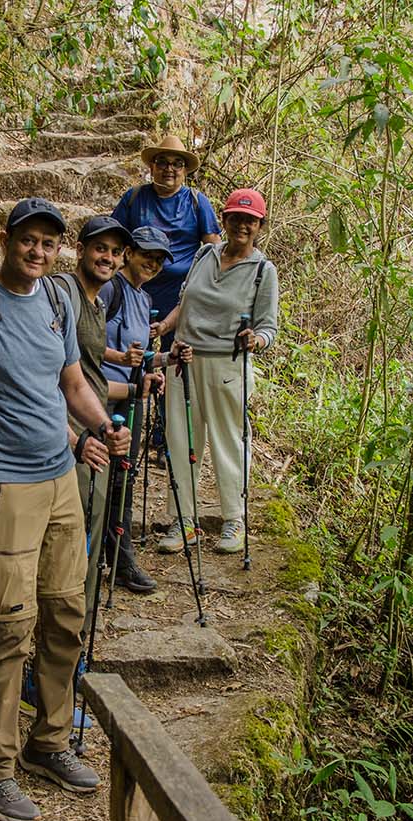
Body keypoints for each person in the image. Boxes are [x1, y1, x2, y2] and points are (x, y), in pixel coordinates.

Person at [0, 197, 129, 821]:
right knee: (9, 626)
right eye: (28, 240)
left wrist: (101, 427)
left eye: (49, 243)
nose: (38, 252)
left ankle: (50, 743)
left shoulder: (59, 302)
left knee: (66, 614)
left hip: (60, 478)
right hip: (3, 485)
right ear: (6, 239)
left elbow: (71, 385)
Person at [153, 188, 277, 556]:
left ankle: (233, 519)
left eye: (249, 220)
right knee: (180, 441)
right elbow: (184, 302)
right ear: (224, 220)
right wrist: (165, 328)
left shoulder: (262, 271)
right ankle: (184, 521)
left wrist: (257, 340)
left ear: (259, 226)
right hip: (184, 363)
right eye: (235, 217)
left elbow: (269, 327)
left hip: (228, 365)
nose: (242, 225)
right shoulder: (205, 255)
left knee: (229, 443)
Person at [110, 136, 221, 458]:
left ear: (185, 170)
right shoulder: (134, 199)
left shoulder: (197, 202)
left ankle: (164, 438)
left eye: (177, 163)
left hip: (181, 296)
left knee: (175, 365)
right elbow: (114, 238)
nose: (169, 169)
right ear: (152, 166)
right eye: (163, 162)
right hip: (137, 291)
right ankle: (123, 426)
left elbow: (213, 249)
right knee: (134, 359)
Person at [48, 216, 134, 627]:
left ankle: (77, 636)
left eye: (117, 252)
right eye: (101, 248)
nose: (109, 258)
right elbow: (61, 374)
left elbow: (92, 377)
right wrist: (73, 434)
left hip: (95, 432)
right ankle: (60, 641)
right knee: (73, 538)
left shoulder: (98, 303)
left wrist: (134, 391)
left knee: (93, 532)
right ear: (79, 250)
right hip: (70, 434)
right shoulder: (63, 293)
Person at [98, 226, 172, 593]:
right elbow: (84, 343)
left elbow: (139, 357)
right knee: (101, 479)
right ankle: (98, 555)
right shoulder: (109, 289)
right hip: (102, 397)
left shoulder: (143, 299)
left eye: (159, 260)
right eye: (148, 256)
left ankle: (120, 558)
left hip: (132, 396)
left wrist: (165, 361)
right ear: (129, 252)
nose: (153, 264)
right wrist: (120, 358)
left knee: (124, 478)